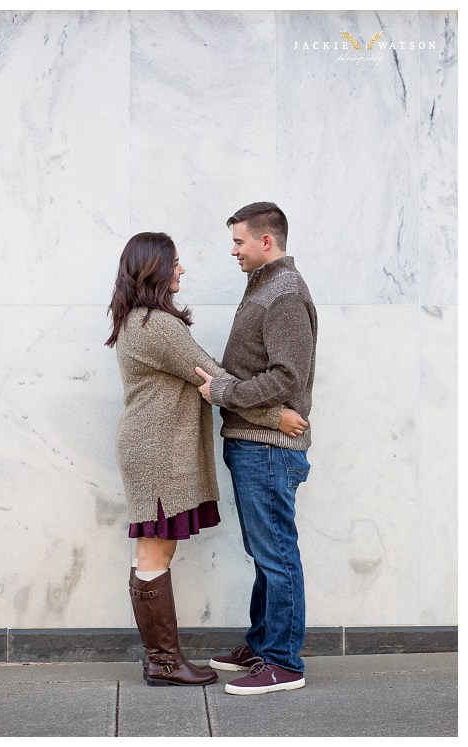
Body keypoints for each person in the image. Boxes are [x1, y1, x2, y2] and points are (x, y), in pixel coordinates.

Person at [106, 232, 308, 687]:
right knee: (154, 549)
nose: (181, 269)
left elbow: (210, 379)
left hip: (152, 446)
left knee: (156, 548)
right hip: (155, 451)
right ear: (154, 268)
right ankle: (164, 662)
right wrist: (276, 415)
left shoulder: (141, 321)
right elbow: (212, 378)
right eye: (175, 263)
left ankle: (162, 660)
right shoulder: (155, 325)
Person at [195, 201, 317, 696]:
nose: (233, 250)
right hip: (253, 443)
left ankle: (284, 663)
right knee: (264, 551)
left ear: (267, 241)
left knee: (277, 555)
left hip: (268, 448)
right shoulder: (265, 288)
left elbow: (286, 377)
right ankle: (263, 644)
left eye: (239, 241)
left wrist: (223, 393)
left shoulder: (284, 295)